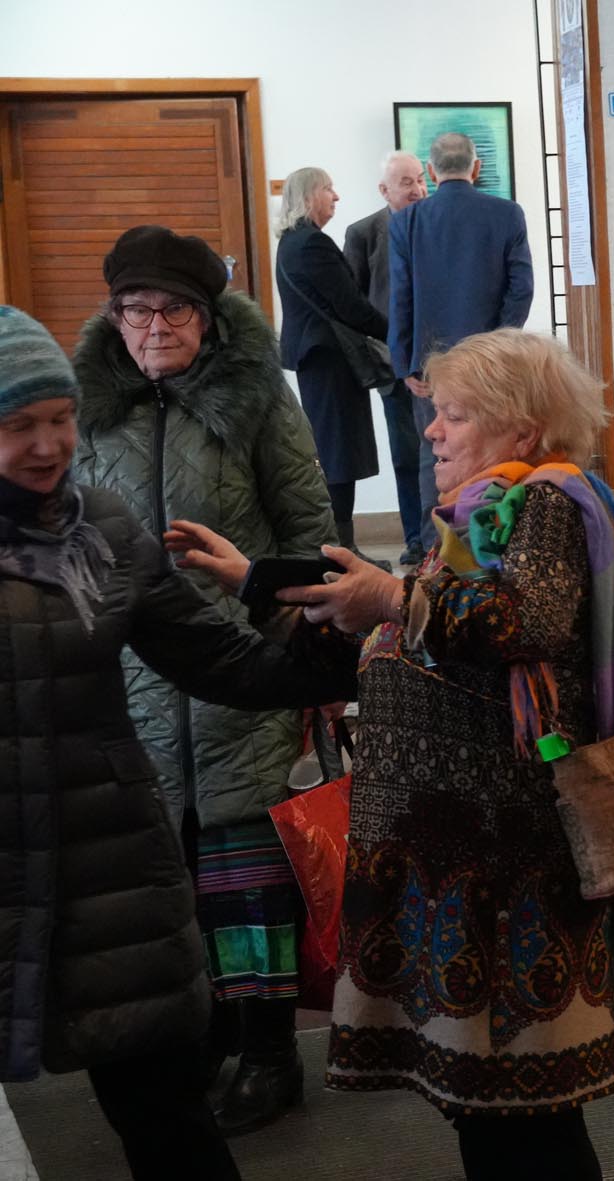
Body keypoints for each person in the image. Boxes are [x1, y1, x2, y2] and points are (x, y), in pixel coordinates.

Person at [172, 328, 614, 1181]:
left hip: (510, 872)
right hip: (458, 864)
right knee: (484, 1104)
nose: (430, 430)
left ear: (522, 426)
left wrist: (394, 596)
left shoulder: (546, 502)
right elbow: (400, 637)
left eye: (454, 414)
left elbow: (527, 619)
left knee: (528, 1113)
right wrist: (258, 580)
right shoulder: (468, 521)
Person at [0, 306, 352, 1179]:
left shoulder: (103, 530)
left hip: (111, 869)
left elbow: (217, 659)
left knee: (167, 1118)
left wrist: (320, 635)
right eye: (18, 425)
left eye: (61, 418)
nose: (47, 445)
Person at [70, 225, 337, 1135]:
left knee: (246, 874)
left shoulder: (256, 395)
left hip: (244, 662)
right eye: (135, 309)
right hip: (135, 678)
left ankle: (269, 1054)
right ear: (113, 316)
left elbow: (306, 523)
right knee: (167, 875)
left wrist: (306, 654)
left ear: (209, 315)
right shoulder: (86, 406)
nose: (154, 326)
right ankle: (202, 1041)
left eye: (174, 309)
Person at [389, 131, 535, 549]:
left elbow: (401, 297)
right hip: (492, 365)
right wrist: (499, 347)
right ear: (476, 167)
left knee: (434, 454)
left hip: (430, 367)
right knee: (496, 448)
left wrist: (405, 362)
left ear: (431, 172)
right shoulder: (507, 214)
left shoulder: (406, 222)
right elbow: (521, 289)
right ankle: (491, 542)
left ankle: (433, 548)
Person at [274, 165, 388, 551]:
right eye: (328, 188)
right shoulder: (312, 243)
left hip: (318, 359)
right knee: (338, 456)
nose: (336, 196)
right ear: (309, 197)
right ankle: (341, 552)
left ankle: (340, 547)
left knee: (335, 452)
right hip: (329, 359)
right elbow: (350, 307)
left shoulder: (293, 242)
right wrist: (397, 335)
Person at [343, 150, 429, 565]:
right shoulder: (363, 234)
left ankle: (447, 538)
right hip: (393, 366)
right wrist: (377, 360)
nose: (418, 190)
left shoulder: (436, 223)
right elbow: (352, 304)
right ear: (384, 190)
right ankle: (416, 538)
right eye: (407, 182)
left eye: (421, 179)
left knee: (447, 453)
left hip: (443, 364)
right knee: (407, 455)